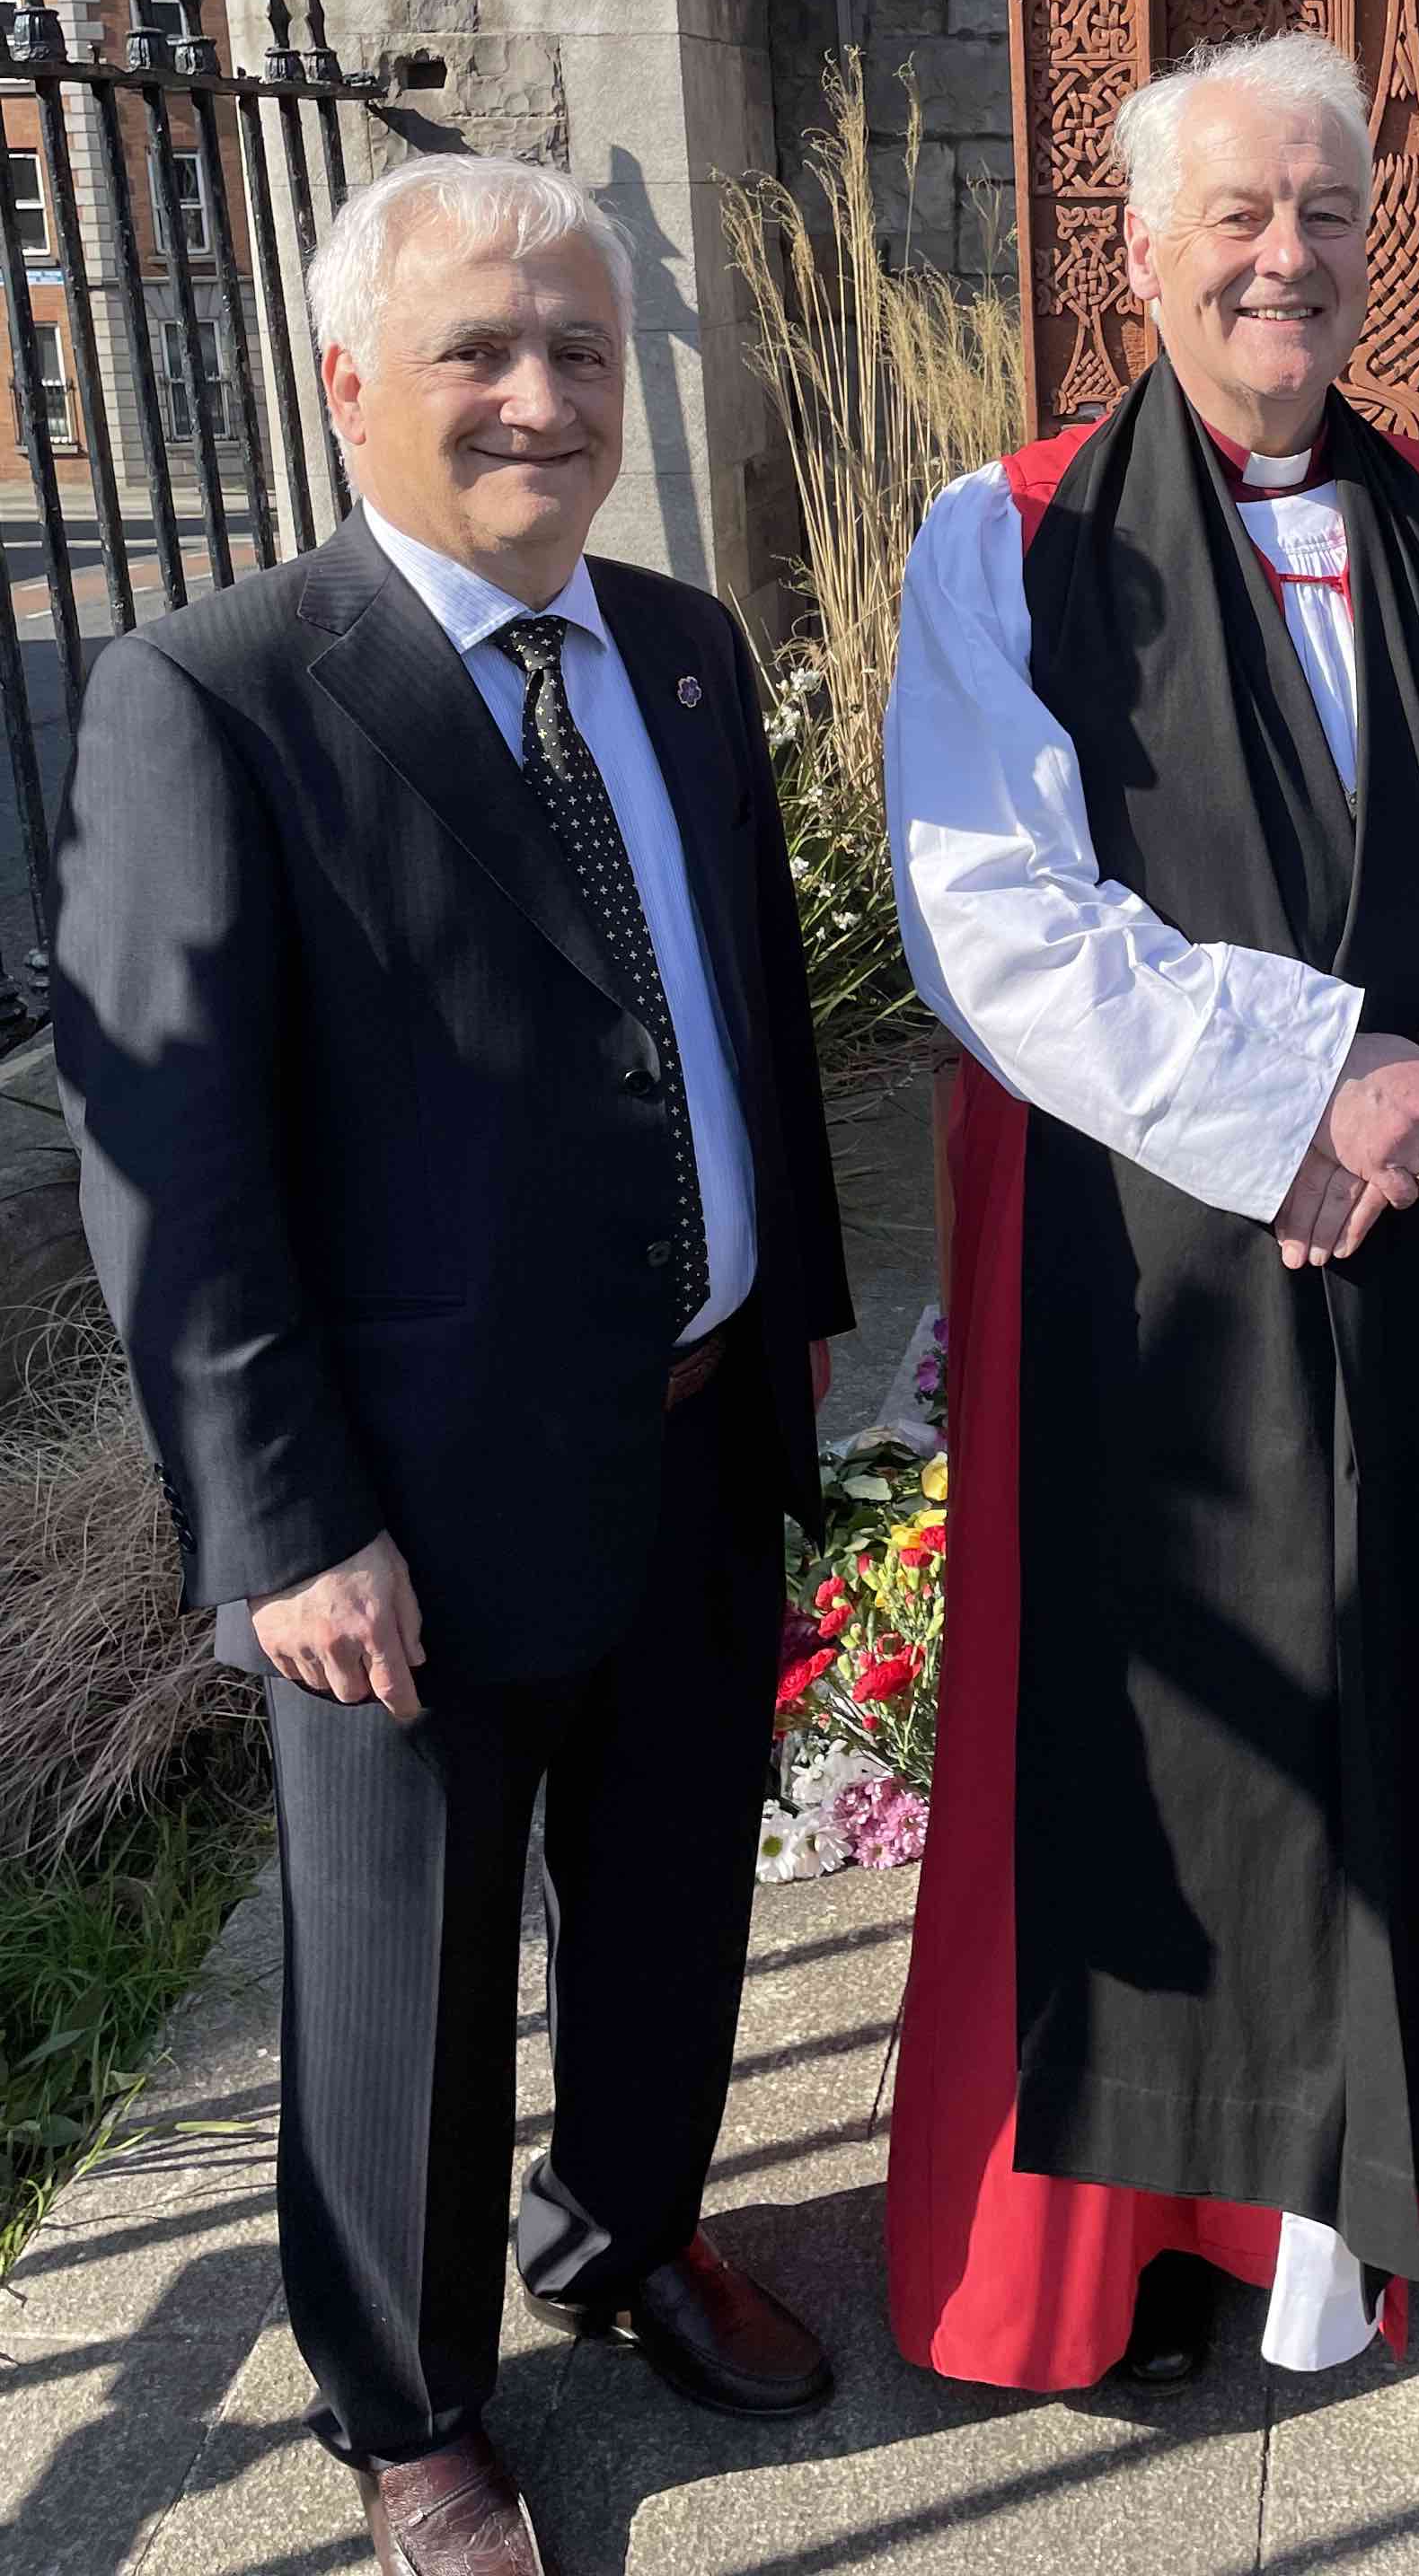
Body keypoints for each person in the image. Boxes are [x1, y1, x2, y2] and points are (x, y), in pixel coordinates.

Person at [52, 159, 852, 2576]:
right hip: (403, 1504)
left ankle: (624, 2234)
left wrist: (792, 1322)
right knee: (398, 1993)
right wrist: (282, 1520)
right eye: (478, 355)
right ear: (344, 390)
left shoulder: (689, 653)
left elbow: (745, 1031)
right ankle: (409, 2412)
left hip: (699, 1438)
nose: (539, 400)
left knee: (675, 1906)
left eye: (581, 354)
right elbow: (168, 1154)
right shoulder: (214, 691)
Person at [879, 30, 1419, 2394]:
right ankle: (1148, 2229)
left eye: (1325, 211)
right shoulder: (999, 532)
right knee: (1170, 1725)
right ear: (1141, 250)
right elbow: (989, 910)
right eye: (1235, 213)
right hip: (1150, 1243)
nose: (1284, 255)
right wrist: (1314, 1082)